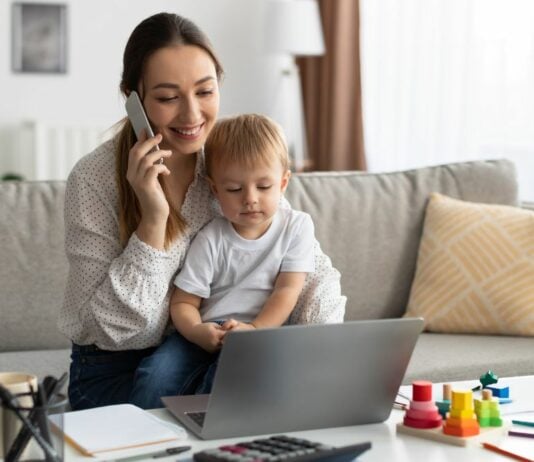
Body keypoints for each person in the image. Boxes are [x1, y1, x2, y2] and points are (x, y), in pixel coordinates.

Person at [58, 12, 346, 411]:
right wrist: (153, 219)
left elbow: (310, 268)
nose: (192, 116)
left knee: (280, 409)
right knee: (248, 407)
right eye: (167, 97)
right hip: (113, 370)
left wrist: (317, 351)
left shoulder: (231, 157)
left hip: (214, 353)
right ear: (132, 98)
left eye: (205, 92)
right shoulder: (94, 179)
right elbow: (116, 332)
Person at [130, 114, 316, 408]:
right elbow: (183, 302)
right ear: (215, 189)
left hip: (263, 332)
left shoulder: (297, 227)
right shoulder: (211, 237)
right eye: (234, 189)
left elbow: (288, 291)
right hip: (208, 330)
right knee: (156, 374)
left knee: (230, 378)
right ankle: (141, 438)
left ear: (283, 183)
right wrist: (196, 331)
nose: (250, 199)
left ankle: (206, 435)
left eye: (264, 187)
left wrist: (254, 331)